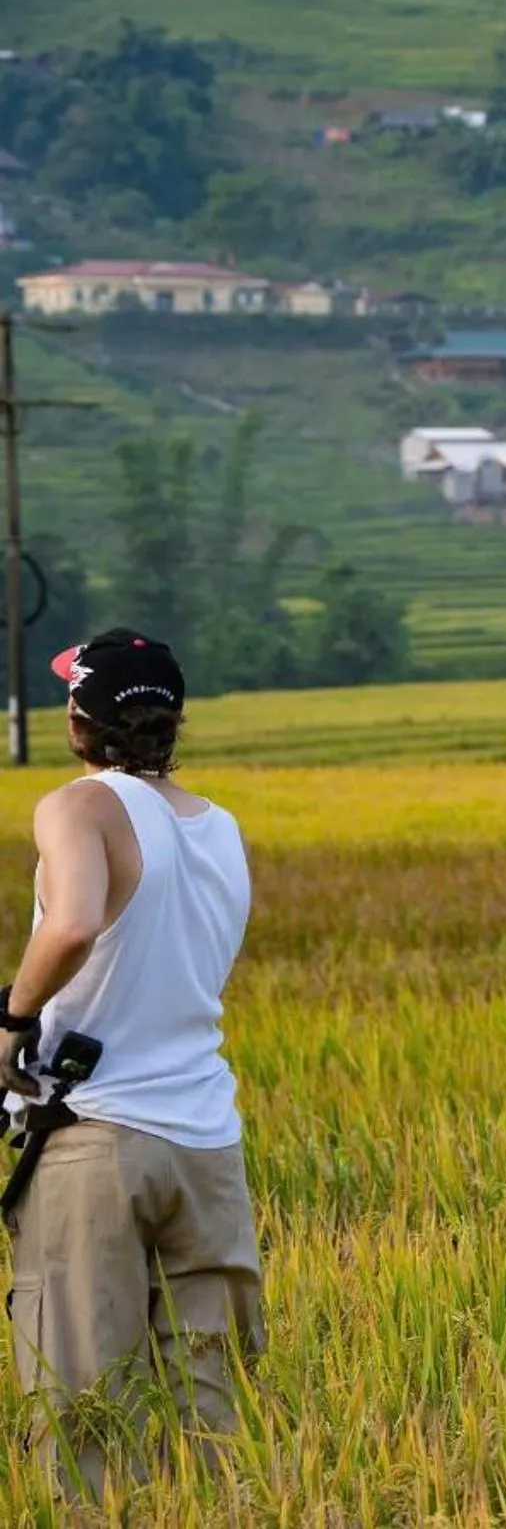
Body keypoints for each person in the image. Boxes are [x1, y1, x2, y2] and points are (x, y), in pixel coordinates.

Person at [2, 630, 260, 1496]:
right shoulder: (220, 830)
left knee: (81, 1415)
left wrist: (12, 1018)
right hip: (207, 1147)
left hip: (93, 1136)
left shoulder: (79, 807)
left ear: (80, 721)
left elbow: (72, 923)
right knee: (217, 1416)